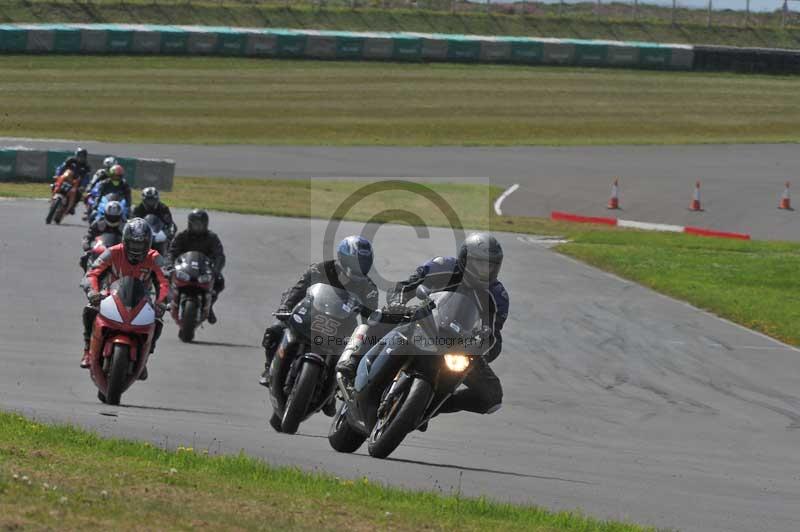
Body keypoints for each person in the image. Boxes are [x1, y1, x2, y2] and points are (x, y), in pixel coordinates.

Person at [374, 232, 509, 418]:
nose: (485, 271)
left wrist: (481, 349)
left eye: (491, 266)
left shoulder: (497, 296)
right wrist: (398, 303)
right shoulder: (442, 266)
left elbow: (494, 336)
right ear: (465, 259)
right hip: (425, 323)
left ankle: (429, 407)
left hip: (458, 345)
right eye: (479, 265)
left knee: (492, 397)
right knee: (378, 320)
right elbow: (405, 287)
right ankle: (353, 362)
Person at [259, 235, 379, 390]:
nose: (359, 266)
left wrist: (371, 332)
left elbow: (369, 318)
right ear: (343, 257)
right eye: (355, 262)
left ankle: (334, 391)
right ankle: (269, 369)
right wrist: (285, 306)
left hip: (342, 327)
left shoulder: (369, 287)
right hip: (311, 314)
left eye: (363, 262)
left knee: (354, 357)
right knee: (274, 330)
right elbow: (298, 289)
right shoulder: (321, 269)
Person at [81, 219, 170, 379]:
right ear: (125, 241)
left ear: (148, 243)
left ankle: (144, 360)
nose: (137, 248)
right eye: (133, 244)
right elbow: (93, 272)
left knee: (158, 321)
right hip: (110, 295)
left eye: (141, 244)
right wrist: (93, 292)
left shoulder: (154, 257)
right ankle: (87, 350)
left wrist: (161, 301)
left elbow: (164, 281)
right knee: (89, 309)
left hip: (142, 300)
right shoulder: (113, 252)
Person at [168, 209, 225, 324]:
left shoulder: (212, 238)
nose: (198, 227)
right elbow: (172, 252)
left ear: (205, 224)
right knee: (166, 276)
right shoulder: (182, 236)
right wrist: (169, 265)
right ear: (190, 223)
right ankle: (167, 301)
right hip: (184, 269)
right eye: (195, 224)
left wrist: (216, 270)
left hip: (203, 270)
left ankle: (210, 306)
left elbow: (219, 255)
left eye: (200, 224)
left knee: (219, 281)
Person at [79, 200, 124, 271]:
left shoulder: (125, 226)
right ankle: (87, 276)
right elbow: (88, 236)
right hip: (100, 251)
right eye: (111, 217)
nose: (112, 219)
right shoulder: (98, 223)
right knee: (84, 258)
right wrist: (87, 246)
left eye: (115, 217)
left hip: (118, 254)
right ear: (105, 214)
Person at [54, 147, 92, 214]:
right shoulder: (70, 160)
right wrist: (57, 175)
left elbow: (86, 178)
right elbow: (61, 167)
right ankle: (54, 194)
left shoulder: (86, 166)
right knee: (54, 184)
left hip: (77, 183)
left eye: (82, 156)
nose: (80, 158)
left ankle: (72, 207)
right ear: (76, 155)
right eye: (79, 156)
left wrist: (83, 186)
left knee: (79, 194)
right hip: (66, 178)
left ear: (85, 157)